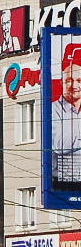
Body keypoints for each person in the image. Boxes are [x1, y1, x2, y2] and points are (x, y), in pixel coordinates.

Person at [51, 43, 81, 187]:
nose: (74, 85)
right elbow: (58, 144)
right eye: (69, 81)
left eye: (79, 81)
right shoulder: (53, 109)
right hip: (63, 181)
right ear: (62, 83)